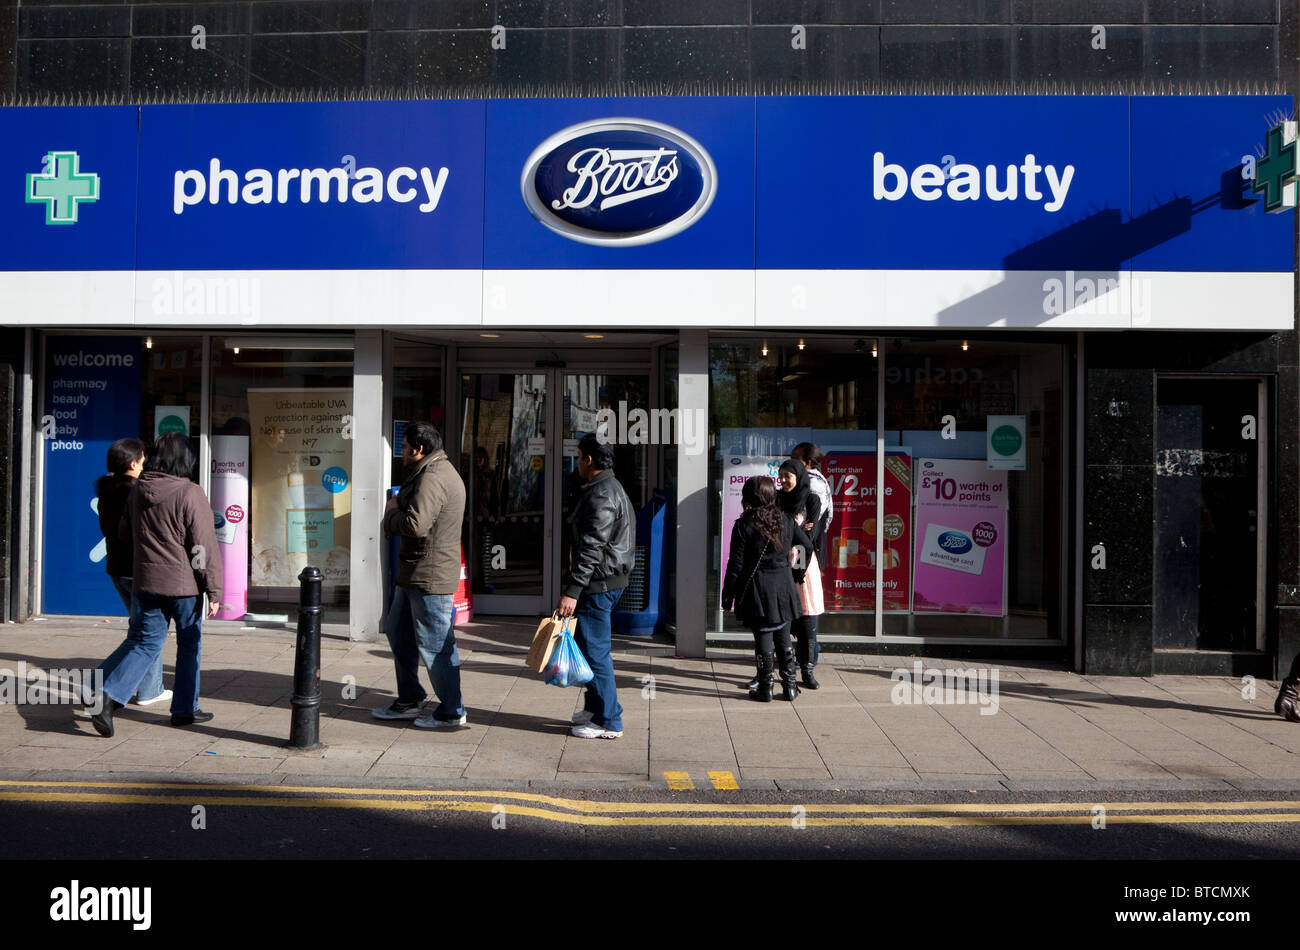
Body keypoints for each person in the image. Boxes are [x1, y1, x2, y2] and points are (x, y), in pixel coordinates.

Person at [89, 433, 222, 737]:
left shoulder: (138, 491)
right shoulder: (190, 492)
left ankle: (108, 697)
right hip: (183, 586)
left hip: (146, 582)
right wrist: (213, 589)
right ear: (185, 459)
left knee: (146, 643)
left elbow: (123, 532)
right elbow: (203, 546)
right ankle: (184, 710)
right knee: (189, 644)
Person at [374, 422, 469, 729]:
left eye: (404, 447)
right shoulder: (433, 471)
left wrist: (391, 513)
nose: (401, 451)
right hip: (414, 572)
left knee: (435, 644)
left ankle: (452, 711)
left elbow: (416, 525)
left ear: (419, 449)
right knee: (397, 632)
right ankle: (410, 698)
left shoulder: (433, 477)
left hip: (428, 575)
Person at [556, 433, 635, 739]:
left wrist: (572, 591)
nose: (577, 462)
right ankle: (594, 708)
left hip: (598, 583)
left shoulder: (602, 493)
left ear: (588, 460)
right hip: (604, 580)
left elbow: (591, 547)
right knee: (590, 648)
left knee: (595, 652)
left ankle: (609, 720)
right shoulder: (605, 487)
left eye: (578, 456)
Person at [722, 476, 813, 702]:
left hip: (757, 590)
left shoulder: (744, 525)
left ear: (749, 496)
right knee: (783, 637)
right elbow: (807, 545)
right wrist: (797, 572)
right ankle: (790, 686)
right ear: (772, 495)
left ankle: (766, 688)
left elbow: (736, 564)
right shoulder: (787, 520)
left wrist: (728, 597)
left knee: (763, 638)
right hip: (784, 587)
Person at [96, 438, 171, 708]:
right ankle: (146, 689)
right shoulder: (136, 493)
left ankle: (148, 687)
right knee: (150, 633)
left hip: (117, 569)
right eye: (141, 461)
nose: (144, 465)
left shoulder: (106, 490)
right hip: (139, 570)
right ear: (132, 463)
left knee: (142, 629)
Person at [779, 456, 827, 689]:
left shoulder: (812, 499)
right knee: (783, 619)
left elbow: (810, 533)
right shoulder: (777, 499)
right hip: (780, 563)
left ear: (799, 476)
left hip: (804, 564)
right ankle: (783, 670)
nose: (783, 480)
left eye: (787, 476)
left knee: (806, 619)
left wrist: (792, 533)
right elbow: (779, 532)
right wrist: (796, 532)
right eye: (781, 476)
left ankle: (807, 670)